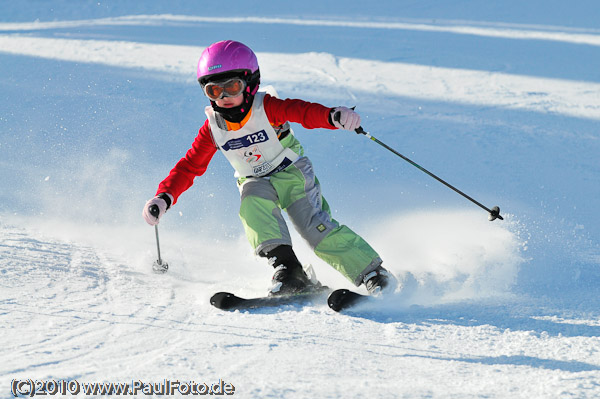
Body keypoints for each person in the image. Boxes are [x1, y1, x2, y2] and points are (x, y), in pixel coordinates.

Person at [143, 40, 396, 297]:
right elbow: (190, 166)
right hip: (254, 179)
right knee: (252, 205)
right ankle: (290, 272)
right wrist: (165, 196)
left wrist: (333, 116)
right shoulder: (213, 128)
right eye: (213, 91)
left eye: (231, 87)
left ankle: (372, 272)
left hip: (291, 173)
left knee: (312, 226)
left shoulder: (267, 108)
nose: (224, 97)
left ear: (250, 83)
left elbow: (302, 112)